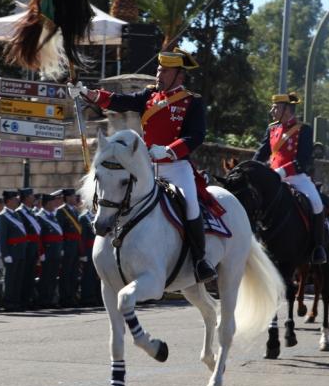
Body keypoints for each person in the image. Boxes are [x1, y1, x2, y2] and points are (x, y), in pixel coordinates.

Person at [71, 48, 217, 283]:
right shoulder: (149, 97)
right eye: (158, 70)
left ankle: (200, 261)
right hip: (146, 167)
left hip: (176, 167)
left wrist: (170, 150)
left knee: (191, 206)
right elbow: (119, 101)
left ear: (179, 76)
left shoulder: (192, 101)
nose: (158, 75)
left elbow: (197, 135)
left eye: (165, 71)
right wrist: (87, 93)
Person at [253, 92, 327, 264]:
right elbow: (261, 152)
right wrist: (252, 169)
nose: (272, 111)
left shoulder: (304, 129)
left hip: (295, 177)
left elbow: (303, 160)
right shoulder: (272, 129)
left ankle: (318, 247)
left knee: (317, 204)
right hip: (272, 177)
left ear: (287, 109)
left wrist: (282, 172)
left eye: (275, 107)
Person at [0, 190, 27, 311]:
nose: (17, 201)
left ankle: (16, 301)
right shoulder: (3, 216)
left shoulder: (16, 215)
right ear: (8, 201)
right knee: (10, 279)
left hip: (20, 251)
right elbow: (2, 237)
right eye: (15, 199)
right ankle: (8, 302)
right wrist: (5, 254)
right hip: (11, 252)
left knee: (18, 278)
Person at [35, 191, 63, 308]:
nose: (54, 204)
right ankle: (44, 300)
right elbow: (39, 237)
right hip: (46, 251)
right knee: (45, 278)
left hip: (55, 251)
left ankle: (51, 299)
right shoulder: (40, 217)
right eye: (52, 202)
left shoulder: (53, 216)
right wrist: (41, 253)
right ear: (46, 204)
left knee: (52, 277)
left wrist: (60, 249)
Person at [55, 188, 82, 307]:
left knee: (74, 273)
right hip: (67, 246)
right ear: (67, 198)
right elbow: (59, 232)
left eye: (75, 196)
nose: (75, 198)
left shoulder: (75, 211)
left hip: (75, 246)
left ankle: (72, 296)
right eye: (72, 196)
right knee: (65, 274)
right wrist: (61, 248)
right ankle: (64, 298)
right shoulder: (61, 211)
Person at [17, 188, 42, 309]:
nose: (33, 198)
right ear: (26, 197)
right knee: (24, 276)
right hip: (26, 248)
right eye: (31, 196)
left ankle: (28, 299)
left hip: (33, 247)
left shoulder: (31, 212)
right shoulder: (20, 212)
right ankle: (22, 300)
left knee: (30, 275)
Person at [78, 206, 101, 306]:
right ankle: (87, 297)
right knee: (88, 275)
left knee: (98, 275)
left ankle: (97, 297)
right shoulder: (84, 218)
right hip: (88, 250)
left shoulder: (98, 216)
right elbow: (82, 238)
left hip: (97, 250)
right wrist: (82, 253)